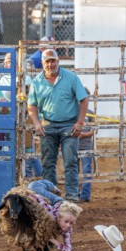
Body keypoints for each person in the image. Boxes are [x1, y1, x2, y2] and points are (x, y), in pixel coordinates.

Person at [27, 48, 89, 202]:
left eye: (53, 61)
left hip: (69, 124)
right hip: (47, 123)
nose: (50, 64)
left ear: (58, 61)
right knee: (48, 163)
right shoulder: (36, 82)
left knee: (70, 160)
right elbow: (32, 106)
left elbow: (84, 99)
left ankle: (72, 196)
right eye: (47, 62)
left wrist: (80, 122)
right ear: (42, 63)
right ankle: (50, 196)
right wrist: (36, 123)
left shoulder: (71, 78)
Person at [27, 179, 82, 251]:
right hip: (56, 201)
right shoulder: (50, 214)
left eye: (72, 223)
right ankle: (53, 187)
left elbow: (68, 250)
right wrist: (31, 198)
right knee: (32, 187)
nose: (68, 225)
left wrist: (52, 240)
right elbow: (38, 198)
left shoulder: (67, 229)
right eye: (66, 222)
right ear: (59, 217)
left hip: (64, 210)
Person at [78, 94, 95, 202]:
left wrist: (83, 135)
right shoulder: (71, 112)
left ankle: (85, 195)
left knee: (86, 170)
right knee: (73, 170)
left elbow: (94, 130)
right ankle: (76, 193)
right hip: (74, 145)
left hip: (86, 146)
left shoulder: (91, 113)